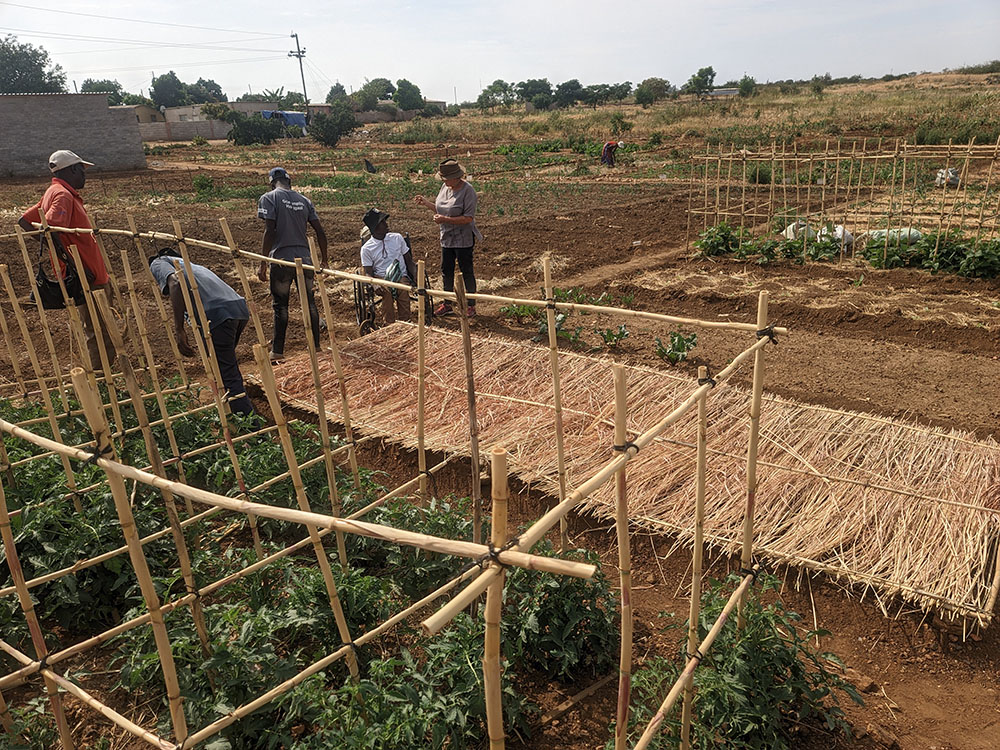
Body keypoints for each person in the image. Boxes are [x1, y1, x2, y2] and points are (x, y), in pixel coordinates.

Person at [18, 150, 115, 368]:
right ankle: (100, 378)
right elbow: (50, 230)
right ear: (71, 170)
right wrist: (70, 260)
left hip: (85, 271)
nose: (84, 175)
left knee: (96, 328)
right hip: (86, 275)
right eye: (81, 170)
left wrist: (60, 253)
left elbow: (24, 221)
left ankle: (100, 376)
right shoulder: (63, 195)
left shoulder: (53, 192)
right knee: (100, 331)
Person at [149, 249, 256, 417]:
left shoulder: (158, 262)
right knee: (222, 365)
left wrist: (179, 329)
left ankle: (249, 425)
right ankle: (237, 408)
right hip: (237, 309)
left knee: (225, 372)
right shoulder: (192, 266)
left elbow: (175, 283)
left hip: (217, 314)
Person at [257, 166, 328, 360]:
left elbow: (270, 231)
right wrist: (325, 260)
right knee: (310, 303)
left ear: (272, 183)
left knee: (280, 306)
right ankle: (316, 347)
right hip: (305, 260)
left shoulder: (269, 198)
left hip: (281, 260)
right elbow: (320, 231)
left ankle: (277, 351)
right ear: (289, 181)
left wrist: (263, 263)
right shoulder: (304, 200)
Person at [413, 158, 481, 318]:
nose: (444, 181)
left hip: (463, 238)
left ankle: (471, 305)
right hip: (447, 237)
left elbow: (468, 218)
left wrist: (445, 219)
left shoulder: (468, 191)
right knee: (446, 270)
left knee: (466, 270)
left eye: (446, 178)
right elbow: (441, 208)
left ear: (456, 177)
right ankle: (447, 303)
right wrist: (426, 203)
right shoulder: (445, 187)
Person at [360, 209, 416, 324]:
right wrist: (374, 284)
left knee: (403, 289)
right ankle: (389, 324)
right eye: (382, 222)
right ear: (375, 228)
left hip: (400, 275)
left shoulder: (397, 238)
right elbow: (368, 272)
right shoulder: (367, 249)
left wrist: (416, 276)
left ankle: (406, 322)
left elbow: (409, 261)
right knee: (387, 291)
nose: (386, 224)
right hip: (381, 278)